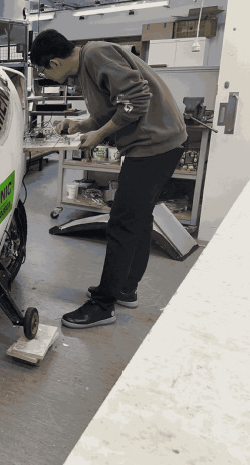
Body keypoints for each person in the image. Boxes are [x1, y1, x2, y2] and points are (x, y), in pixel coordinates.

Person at [30, 29, 187, 329]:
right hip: (157, 144)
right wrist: (81, 125)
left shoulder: (96, 55)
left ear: (53, 63)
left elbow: (135, 101)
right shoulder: (87, 65)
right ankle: (125, 289)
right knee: (138, 219)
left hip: (155, 145)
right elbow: (115, 109)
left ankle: (103, 306)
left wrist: (98, 135)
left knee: (122, 223)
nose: (46, 76)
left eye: (43, 71)